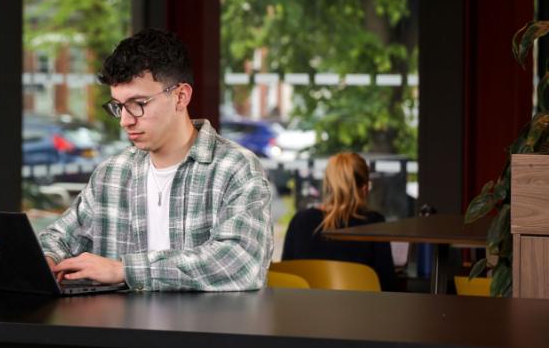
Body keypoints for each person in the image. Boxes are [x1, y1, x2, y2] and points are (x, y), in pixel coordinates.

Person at [38, 28, 274, 291]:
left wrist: (124, 270)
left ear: (180, 96)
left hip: (203, 330)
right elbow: (59, 238)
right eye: (118, 106)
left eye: (139, 103)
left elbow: (239, 263)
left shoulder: (235, 168)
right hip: (122, 330)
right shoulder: (112, 174)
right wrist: (47, 259)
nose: (126, 120)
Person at [281, 152, 397, 291]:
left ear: (328, 185)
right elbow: (387, 285)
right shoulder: (374, 223)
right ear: (365, 189)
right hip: (360, 311)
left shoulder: (299, 221)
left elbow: (285, 278)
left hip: (304, 310)